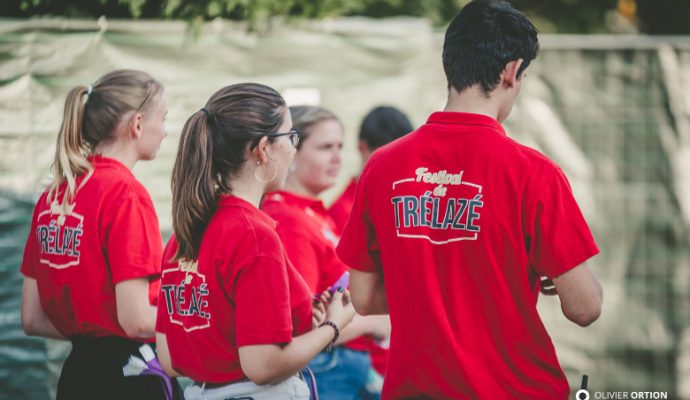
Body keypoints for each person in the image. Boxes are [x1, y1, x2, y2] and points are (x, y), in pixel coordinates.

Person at [336, 1, 604, 399]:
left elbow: (364, 297)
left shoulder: (381, 167)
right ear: (512, 71)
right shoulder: (534, 173)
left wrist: (433, 285)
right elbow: (585, 308)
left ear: (451, 63)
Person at [155, 83, 355, 400]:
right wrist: (332, 325)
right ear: (263, 149)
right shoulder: (254, 236)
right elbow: (264, 365)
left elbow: (170, 357)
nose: (293, 148)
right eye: (291, 137)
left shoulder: (186, 231)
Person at [20, 69, 175, 399]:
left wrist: (91, 330)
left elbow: (32, 318)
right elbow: (136, 321)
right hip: (131, 376)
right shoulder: (125, 193)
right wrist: (212, 324)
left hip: (77, 374)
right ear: (136, 125)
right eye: (163, 118)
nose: (164, 131)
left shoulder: (54, 196)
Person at [261, 105, 390, 400]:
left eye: (340, 147)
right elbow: (301, 324)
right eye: (324, 147)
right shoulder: (290, 220)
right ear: (291, 152)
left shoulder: (312, 213)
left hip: (342, 364)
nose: (337, 158)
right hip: (329, 369)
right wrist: (375, 320)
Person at [329, 106, 413, 236]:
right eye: (384, 159)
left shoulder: (411, 205)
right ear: (362, 147)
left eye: (400, 158)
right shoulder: (343, 213)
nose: (393, 167)